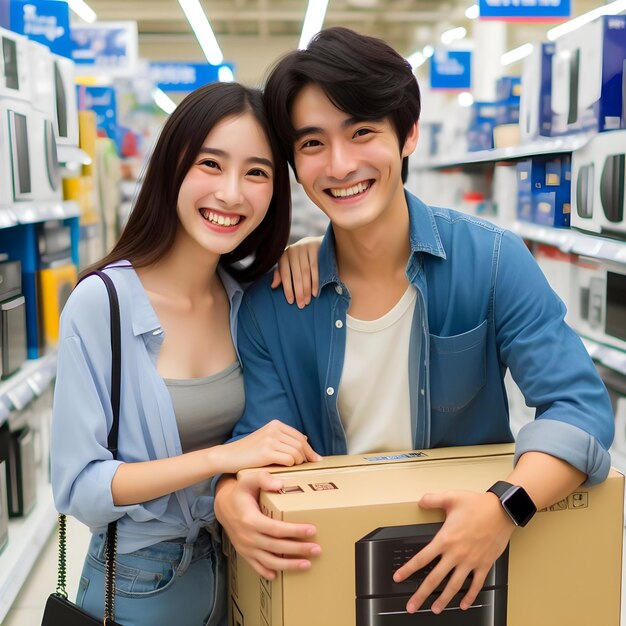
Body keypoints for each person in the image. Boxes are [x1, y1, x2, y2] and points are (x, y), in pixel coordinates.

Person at [214, 27, 615, 617]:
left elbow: (579, 408)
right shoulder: (274, 305)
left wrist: (506, 506)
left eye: (363, 132)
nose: (341, 163)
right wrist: (230, 495)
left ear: (408, 135)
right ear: (294, 164)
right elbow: (260, 449)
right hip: (337, 576)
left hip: (479, 567)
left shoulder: (493, 261)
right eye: (313, 144)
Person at [50, 81, 322, 626]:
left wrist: (320, 250)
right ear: (173, 165)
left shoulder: (250, 302)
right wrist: (221, 457)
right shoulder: (102, 303)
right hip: (134, 589)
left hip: (238, 570)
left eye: (256, 172)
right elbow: (78, 487)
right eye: (211, 164)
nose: (231, 194)